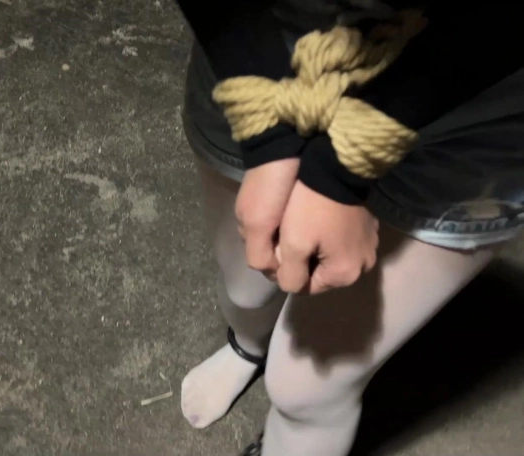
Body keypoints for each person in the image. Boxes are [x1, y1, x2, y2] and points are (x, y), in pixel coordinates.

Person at [174, 1, 524, 455]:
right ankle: (248, 345)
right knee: (245, 289)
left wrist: (339, 169)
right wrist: (266, 126)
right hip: (262, 37)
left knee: (306, 388)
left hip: (481, 86)